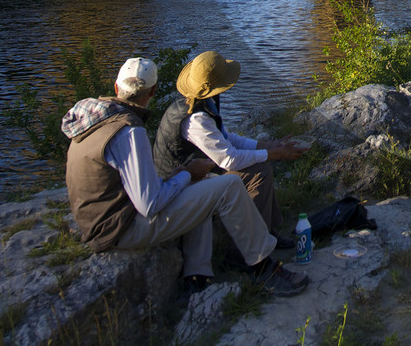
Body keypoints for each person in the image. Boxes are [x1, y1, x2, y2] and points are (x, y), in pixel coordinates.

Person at [62, 56, 309, 296]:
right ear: (153, 90)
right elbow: (149, 204)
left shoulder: (95, 120)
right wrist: (186, 174)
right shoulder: (129, 131)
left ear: (116, 87)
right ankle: (262, 268)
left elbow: (225, 140)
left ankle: (197, 278)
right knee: (229, 185)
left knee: (199, 187)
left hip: (98, 224)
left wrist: (187, 177)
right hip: (120, 229)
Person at [152, 50, 306, 247]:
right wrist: (273, 154)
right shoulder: (195, 118)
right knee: (258, 173)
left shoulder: (203, 102)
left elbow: (226, 138)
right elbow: (228, 160)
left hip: (200, 166)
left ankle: (267, 232)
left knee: (261, 167)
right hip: (179, 180)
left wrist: (267, 145)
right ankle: (247, 248)